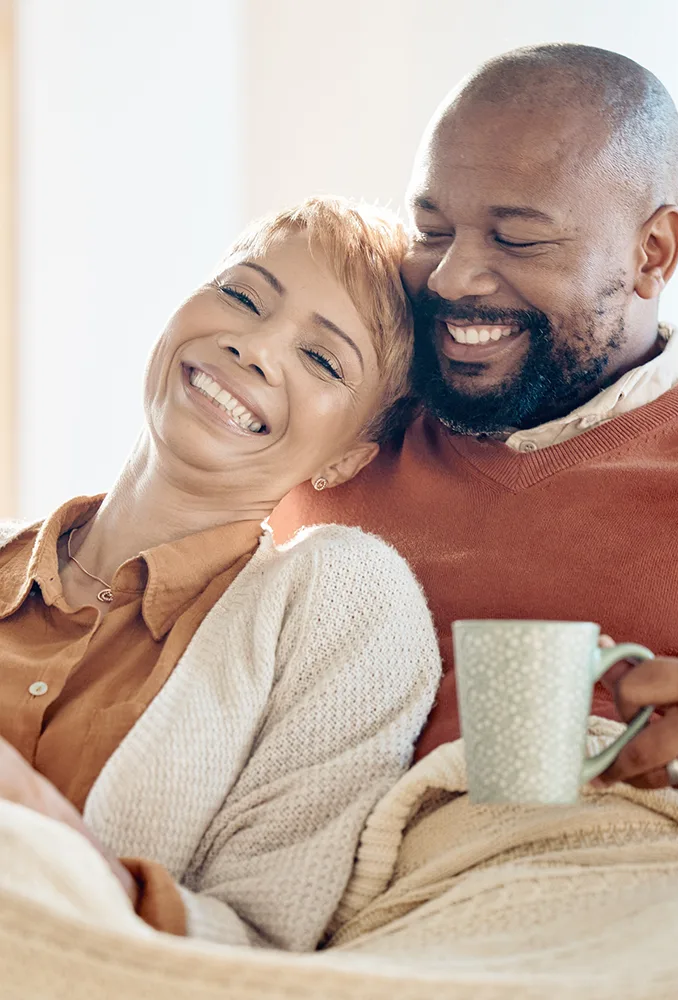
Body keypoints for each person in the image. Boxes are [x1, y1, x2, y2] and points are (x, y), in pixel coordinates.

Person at [273, 44, 678, 799]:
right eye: (431, 231)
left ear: (653, 252)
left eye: (516, 238)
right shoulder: (338, 430)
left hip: (633, 888)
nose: (452, 277)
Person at [0, 196, 441, 949]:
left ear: (347, 459)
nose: (256, 347)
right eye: (242, 296)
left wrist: (30, 816)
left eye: (323, 359)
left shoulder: (339, 606)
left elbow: (256, 946)